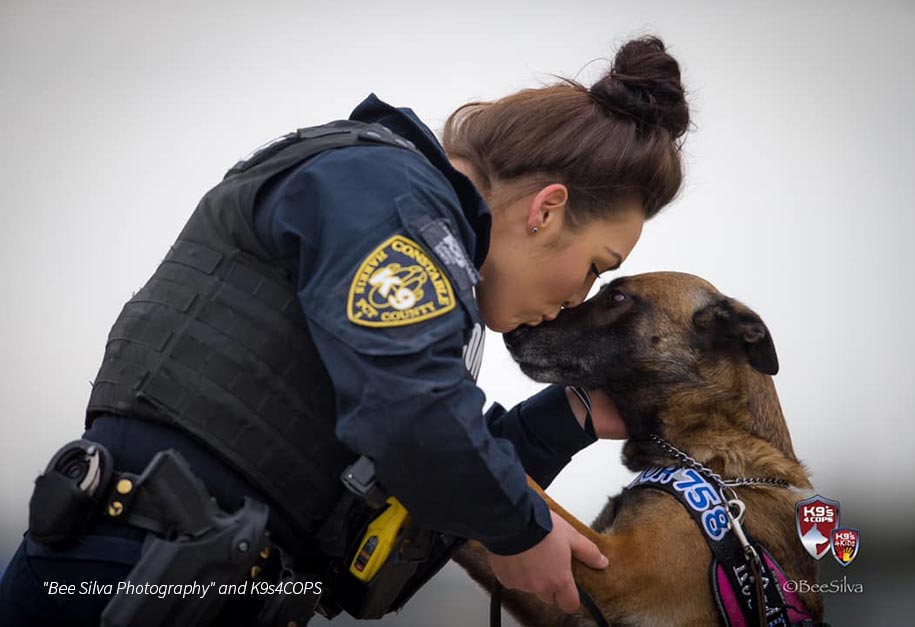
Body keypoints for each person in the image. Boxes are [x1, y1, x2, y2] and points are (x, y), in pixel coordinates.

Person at [0, 35, 689, 626]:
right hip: (130, 577)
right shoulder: (379, 190)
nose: (576, 299)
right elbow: (414, 413)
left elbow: (411, 501)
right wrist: (521, 528)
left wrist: (569, 417)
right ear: (545, 210)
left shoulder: (409, 239)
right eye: (596, 267)